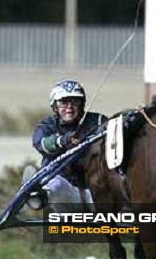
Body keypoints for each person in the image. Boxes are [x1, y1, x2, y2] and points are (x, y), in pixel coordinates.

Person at [25, 79, 106, 209]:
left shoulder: (99, 121)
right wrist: (62, 141)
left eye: (75, 101)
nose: (69, 106)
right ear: (55, 106)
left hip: (96, 189)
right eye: (64, 102)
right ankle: (37, 196)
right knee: (55, 184)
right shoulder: (47, 126)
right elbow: (41, 143)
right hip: (65, 191)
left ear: (82, 104)